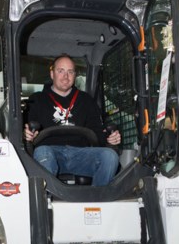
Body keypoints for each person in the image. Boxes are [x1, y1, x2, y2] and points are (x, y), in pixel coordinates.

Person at [23, 54, 121, 186]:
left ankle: (96, 200)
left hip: (81, 155)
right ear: (52, 74)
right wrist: (27, 134)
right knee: (42, 152)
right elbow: (27, 128)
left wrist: (110, 139)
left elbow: (97, 131)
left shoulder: (86, 100)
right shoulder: (37, 99)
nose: (66, 76)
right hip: (50, 152)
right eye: (61, 71)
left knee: (110, 156)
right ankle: (45, 200)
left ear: (75, 75)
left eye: (70, 72)